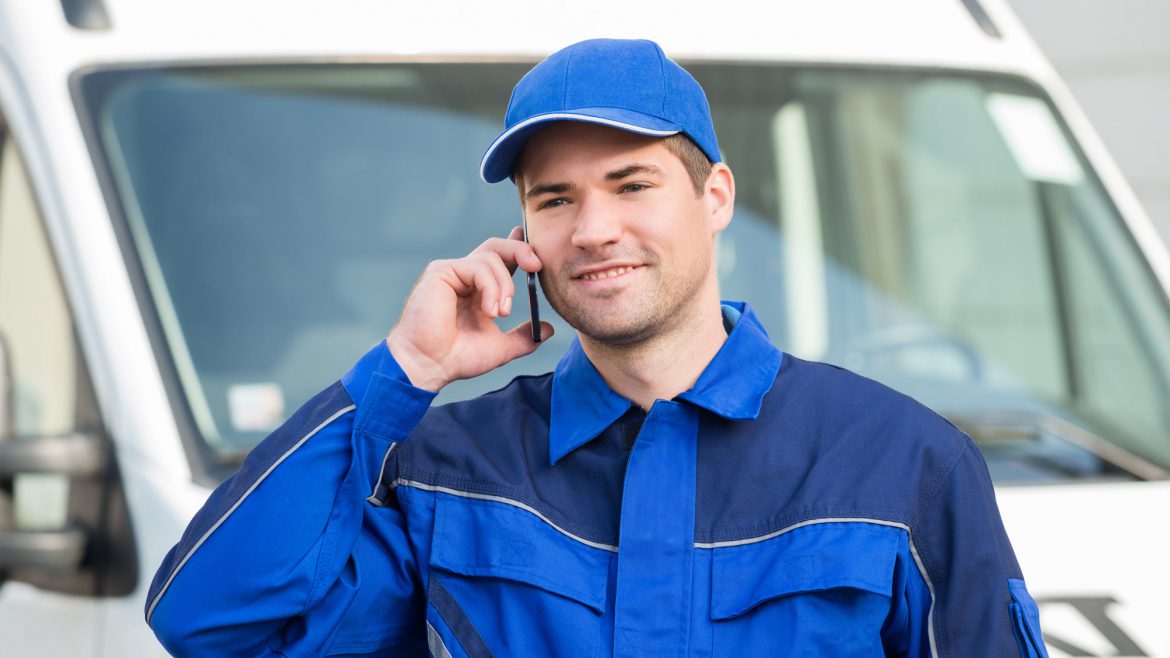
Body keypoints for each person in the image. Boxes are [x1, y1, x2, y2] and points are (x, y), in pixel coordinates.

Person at [145, 38, 1049, 657]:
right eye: (557, 198)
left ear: (717, 197)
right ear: (525, 228)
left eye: (632, 182)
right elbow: (218, 627)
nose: (594, 228)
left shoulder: (902, 464)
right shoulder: (448, 473)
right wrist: (402, 375)